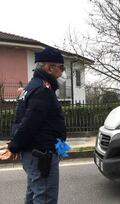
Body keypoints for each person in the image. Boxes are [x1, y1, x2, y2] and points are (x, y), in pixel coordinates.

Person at [0, 47, 67, 204]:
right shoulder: (43, 90)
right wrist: (14, 146)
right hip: (41, 155)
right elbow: (29, 123)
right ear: (49, 67)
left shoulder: (32, 87)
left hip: (35, 154)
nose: (63, 73)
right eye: (61, 67)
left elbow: (21, 120)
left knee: (34, 195)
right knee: (44, 198)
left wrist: (16, 144)